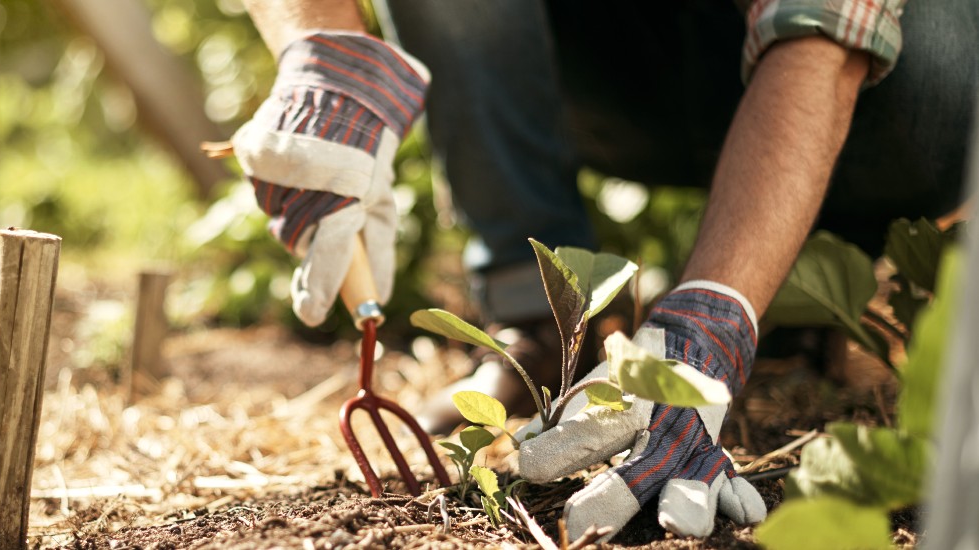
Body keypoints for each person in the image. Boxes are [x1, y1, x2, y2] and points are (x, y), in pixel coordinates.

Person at [229, 0, 976, 543]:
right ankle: (536, 318)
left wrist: (713, 316)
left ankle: (797, 273)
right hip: (599, 70)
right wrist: (320, 45)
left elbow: (826, 37)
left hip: (876, 75)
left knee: (938, 62)